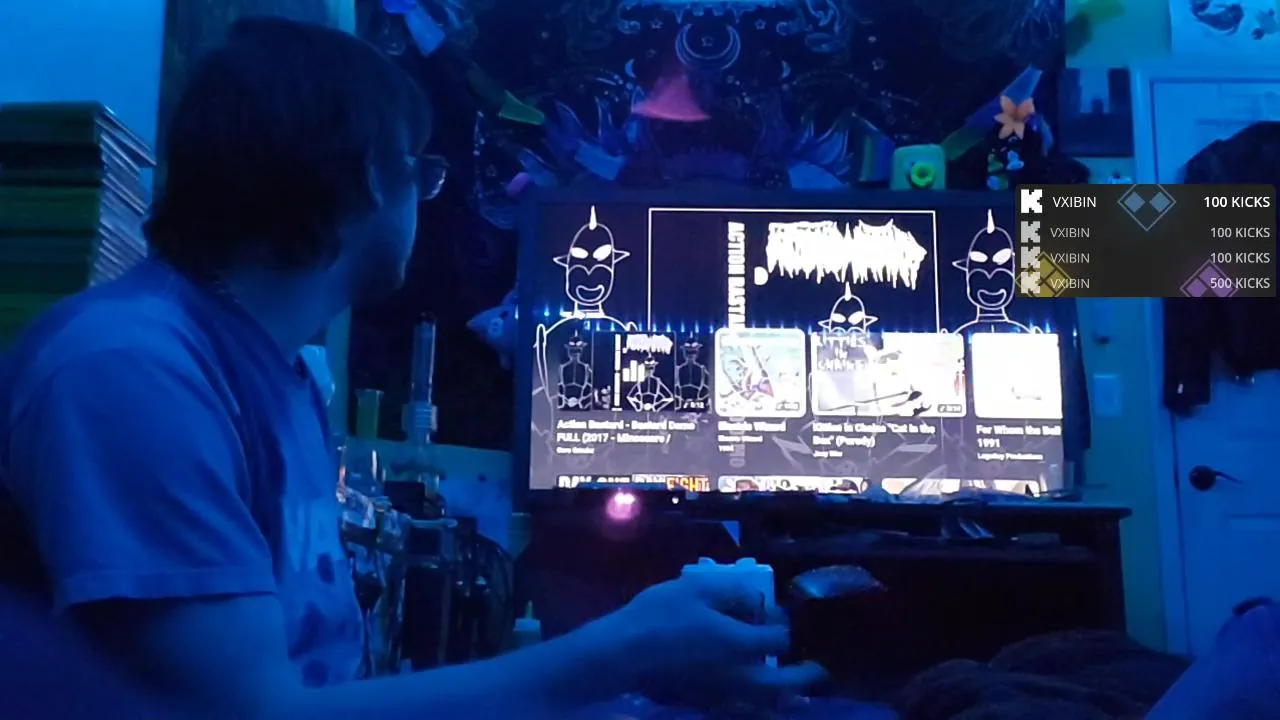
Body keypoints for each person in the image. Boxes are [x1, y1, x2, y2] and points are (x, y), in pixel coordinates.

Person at [0, 17, 822, 719]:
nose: (424, 203)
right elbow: (250, 715)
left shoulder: (274, 375)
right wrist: (622, 651)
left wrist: (633, 678)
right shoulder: (131, 374)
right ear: (369, 177)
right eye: (421, 173)